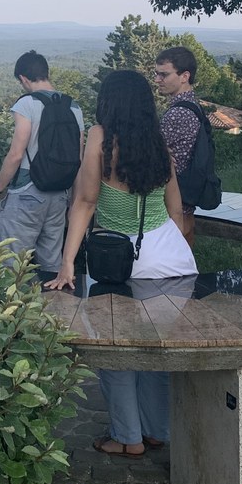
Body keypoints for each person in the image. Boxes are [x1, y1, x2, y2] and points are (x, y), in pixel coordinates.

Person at [45, 70, 197, 457]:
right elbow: (175, 209)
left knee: (116, 350)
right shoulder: (157, 141)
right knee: (157, 351)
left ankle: (127, 438)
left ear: (108, 102)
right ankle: (156, 430)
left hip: (119, 261)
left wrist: (67, 264)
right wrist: (175, 247)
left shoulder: (100, 137)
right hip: (171, 257)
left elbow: (85, 202)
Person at [0, 51, 85, 282]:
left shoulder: (26, 104)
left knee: (11, 263)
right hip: (60, 194)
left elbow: (16, 154)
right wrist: (74, 202)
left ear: (24, 78)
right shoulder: (74, 106)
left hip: (28, 190)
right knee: (52, 263)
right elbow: (78, 159)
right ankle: (54, 303)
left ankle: (13, 303)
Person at [154, 45, 204, 245]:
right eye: (156, 74)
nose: (157, 79)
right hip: (188, 198)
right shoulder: (194, 106)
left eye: (164, 74)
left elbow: (153, 155)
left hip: (173, 201)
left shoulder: (177, 114)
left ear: (184, 76)